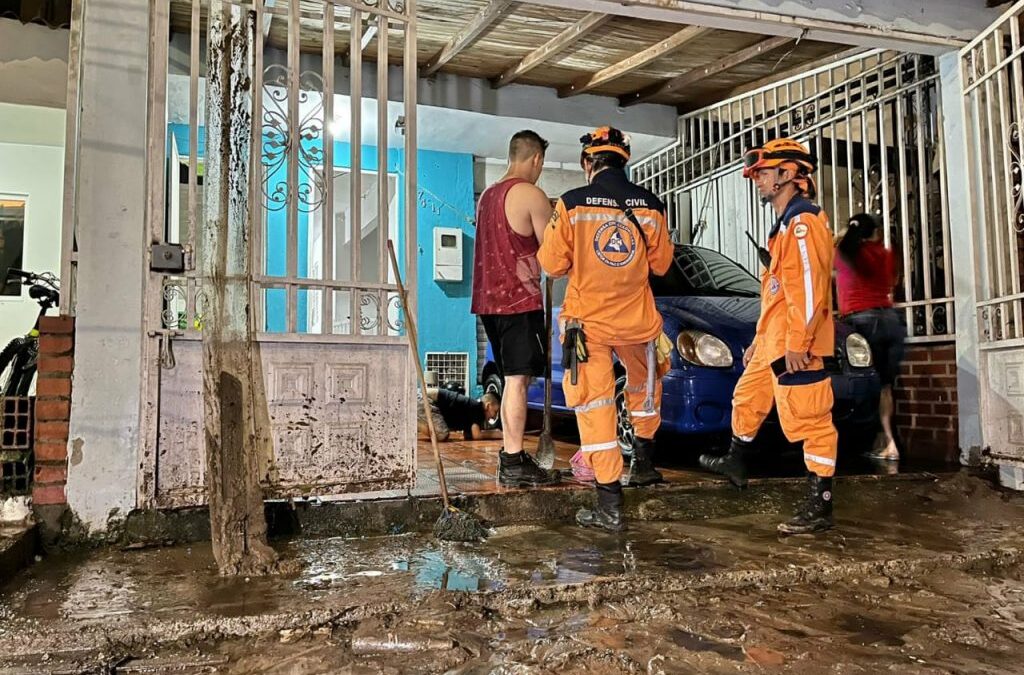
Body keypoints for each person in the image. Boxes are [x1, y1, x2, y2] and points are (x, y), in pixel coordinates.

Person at [699, 138, 839, 535]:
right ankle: (736, 460)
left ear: (788, 174)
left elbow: (810, 292)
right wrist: (762, 341)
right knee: (747, 397)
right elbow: (779, 293)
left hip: (797, 344)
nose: (756, 180)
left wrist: (799, 342)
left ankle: (820, 503)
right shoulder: (784, 228)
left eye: (763, 172)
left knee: (810, 420)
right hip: (775, 341)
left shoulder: (802, 225)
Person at [538, 126, 674, 532]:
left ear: (588, 163)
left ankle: (609, 505)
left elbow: (550, 265)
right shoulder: (651, 205)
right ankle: (645, 465)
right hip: (638, 323)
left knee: (596, 406)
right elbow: (662, 265)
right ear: (624, 160)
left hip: (588, 328)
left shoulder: (572, 204)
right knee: (644, 393)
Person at [471, 130, 560, 488]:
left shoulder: (487, 197)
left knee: (510, 382)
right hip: (518, 300)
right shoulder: (530, 194)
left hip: (487, 303)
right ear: (536, 159)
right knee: (518, 383)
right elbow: (553, 257)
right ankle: (511, 460)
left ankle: (512, 454)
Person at [835, 213, 906, 461]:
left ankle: (867, 440)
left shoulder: (844, 254)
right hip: (890, 320)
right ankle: (889, 443)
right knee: (885, 387)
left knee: (864, 384)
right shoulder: (884, 255)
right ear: (875, 232)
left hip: (861, 321)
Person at [417, 387, 503, 442]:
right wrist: (496, 433)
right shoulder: (477, 408)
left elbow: (468, 435)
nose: (494, 416)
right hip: (423, 398)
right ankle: (413, 420)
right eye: (495, 412)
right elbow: (477, 435)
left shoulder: (472, 408)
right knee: (442, 434)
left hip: (423, 397)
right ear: (488, 406)